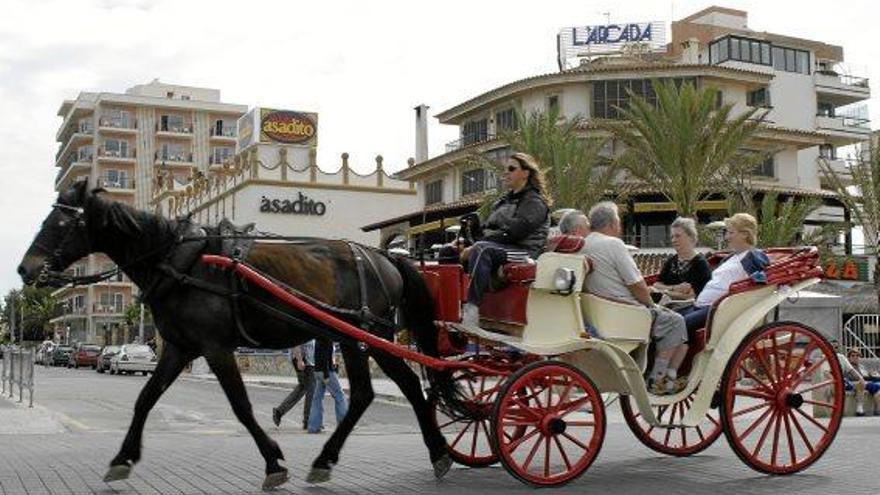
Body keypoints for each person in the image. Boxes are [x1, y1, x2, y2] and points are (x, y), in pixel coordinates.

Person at [581, 202, 689, 395]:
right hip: (624, 313)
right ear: (613, 224)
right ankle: (657, 379)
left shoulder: (583, 244)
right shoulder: (613, 244)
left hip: (598, 310)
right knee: (675, 321)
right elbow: (636, 284)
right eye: (619, 223)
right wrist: (652, 304)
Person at [459, 152, 551, 326]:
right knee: (449, 251)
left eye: (511, 169)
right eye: (505, 169)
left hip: (525, 253)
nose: (506, 173)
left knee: (482, 250)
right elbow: (488, 231)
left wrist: (477, 246)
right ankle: (447, 309)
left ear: (526, 173)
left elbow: (515, 232)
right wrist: (467, 242)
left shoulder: (535, 202)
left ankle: (471, 309)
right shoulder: (502, 201)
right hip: (500, 248)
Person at [676, 213, 768, 332]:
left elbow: (762, 281)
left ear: (745, 234)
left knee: (675, 325)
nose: (726, 237)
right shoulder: (732, 257)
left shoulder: (753, 256)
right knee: (668, 318)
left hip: (717, 310)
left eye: (731, 233)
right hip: (700, 305)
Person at [653, 217, 711, 302]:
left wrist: (663, 291)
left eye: (677, 236)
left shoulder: (700, 264)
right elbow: (656, 284)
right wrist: (675, 288)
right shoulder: (671, 261)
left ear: (691, 237)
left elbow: (690, 296)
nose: (673, 240)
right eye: (672, 237)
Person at [308, 339, 348, 433]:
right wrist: (326, 374)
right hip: (326, 372)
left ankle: (313, 427)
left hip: (317, 371)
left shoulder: (318, 338)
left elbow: (319, 355)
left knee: (317, 398)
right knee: (340, 396)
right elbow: (324, 356)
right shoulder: (326, 338)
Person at [272, 341, 315, 429]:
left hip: (308, 361)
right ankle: (308, 420)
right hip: (304, 361)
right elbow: (295, 342)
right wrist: (299, 360)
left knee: (303, 387)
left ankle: (279, 412)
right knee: (311, 389)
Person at [838, 348, 880, 416]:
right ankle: (860, 409)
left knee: (877, 387)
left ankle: (878, 410)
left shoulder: (861, 367)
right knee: (869, 385)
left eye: (857, 356)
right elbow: (850, 377)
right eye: (853, 355)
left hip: (866, 382)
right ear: (848, 358)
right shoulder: (848, 366)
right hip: (853, 383)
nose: (855, 357)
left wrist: (872, 374)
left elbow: (865, 376)